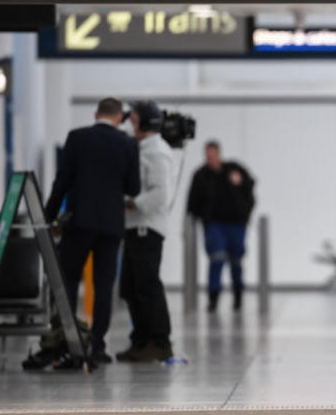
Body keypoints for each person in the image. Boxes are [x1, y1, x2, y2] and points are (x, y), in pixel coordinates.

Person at [44, 97, 140, 364]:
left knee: (69, 279)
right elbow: (134, 187)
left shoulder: (77, 138)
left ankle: (68, 339)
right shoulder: (128, 144)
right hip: (111, 226)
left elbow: (62, 180)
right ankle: (97, 345)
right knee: (103, 285)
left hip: (81, 222)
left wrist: (48, 215)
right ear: (119, 118)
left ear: (96, 114)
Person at [117, 101, 176, 362]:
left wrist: (134, 203)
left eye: (135, 119)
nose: (131, 123)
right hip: (133, 227)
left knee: (147, 285)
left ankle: (160, 341)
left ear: (144, 122)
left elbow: (161, 193)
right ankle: (140, 340)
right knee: (130, 287)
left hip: (146, 227)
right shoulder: (142, 148)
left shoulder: (157, 151)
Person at [186, 141, 256, 312]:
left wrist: (239, 183)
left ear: (219, 154)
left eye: (213, 155)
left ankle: (238, 295)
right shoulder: (201, 175)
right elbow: (192, 201)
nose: (210, 159)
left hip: (236, 224)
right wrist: (189, 223)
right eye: (207, 156)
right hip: (214, 224)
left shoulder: (234, 168)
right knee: (217, 259)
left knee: (236, 260)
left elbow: (250, 185)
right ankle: (213, 298)